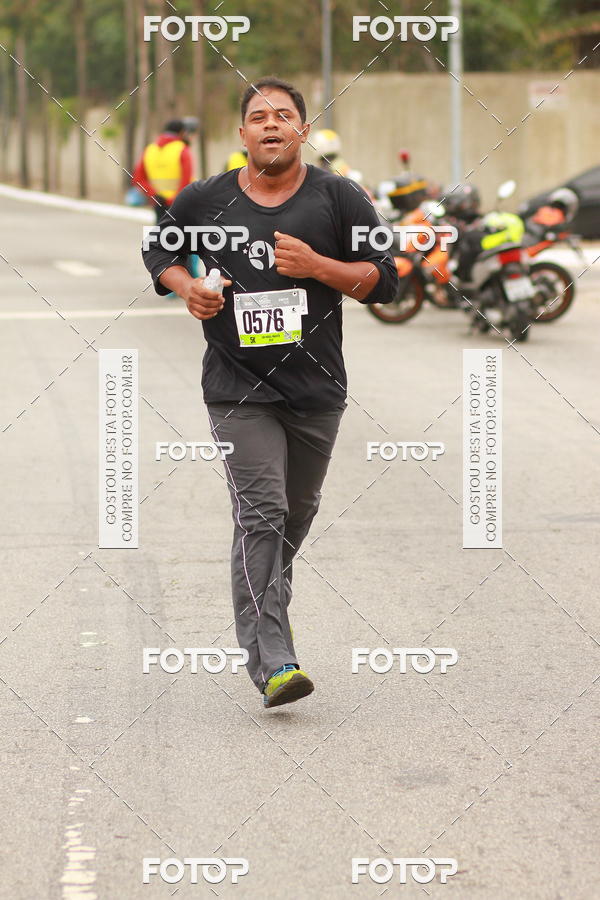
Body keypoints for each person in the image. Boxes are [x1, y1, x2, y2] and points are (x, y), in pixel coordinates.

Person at [142, 76, 398, 709]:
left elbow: (386, 282)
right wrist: (188, 288)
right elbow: (158, 250)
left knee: (296, 514)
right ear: (243, 134)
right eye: (259, 117)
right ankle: (275, 661)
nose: (271, 125)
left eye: (283, 115)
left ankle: (267, 606)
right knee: (262, 513)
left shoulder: (339, 197)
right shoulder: (205, 199)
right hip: (237, 387)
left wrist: (317, 267)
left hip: (316, 387)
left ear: (302, 131)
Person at [132, 118, 196, 223]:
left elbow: (138, 179)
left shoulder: (150, 149)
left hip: (158, 203)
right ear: (182, 132)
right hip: (178, 205)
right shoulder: (182, 149)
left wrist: (153, 195)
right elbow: (186, 180)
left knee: (161, 231)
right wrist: (175, 200)